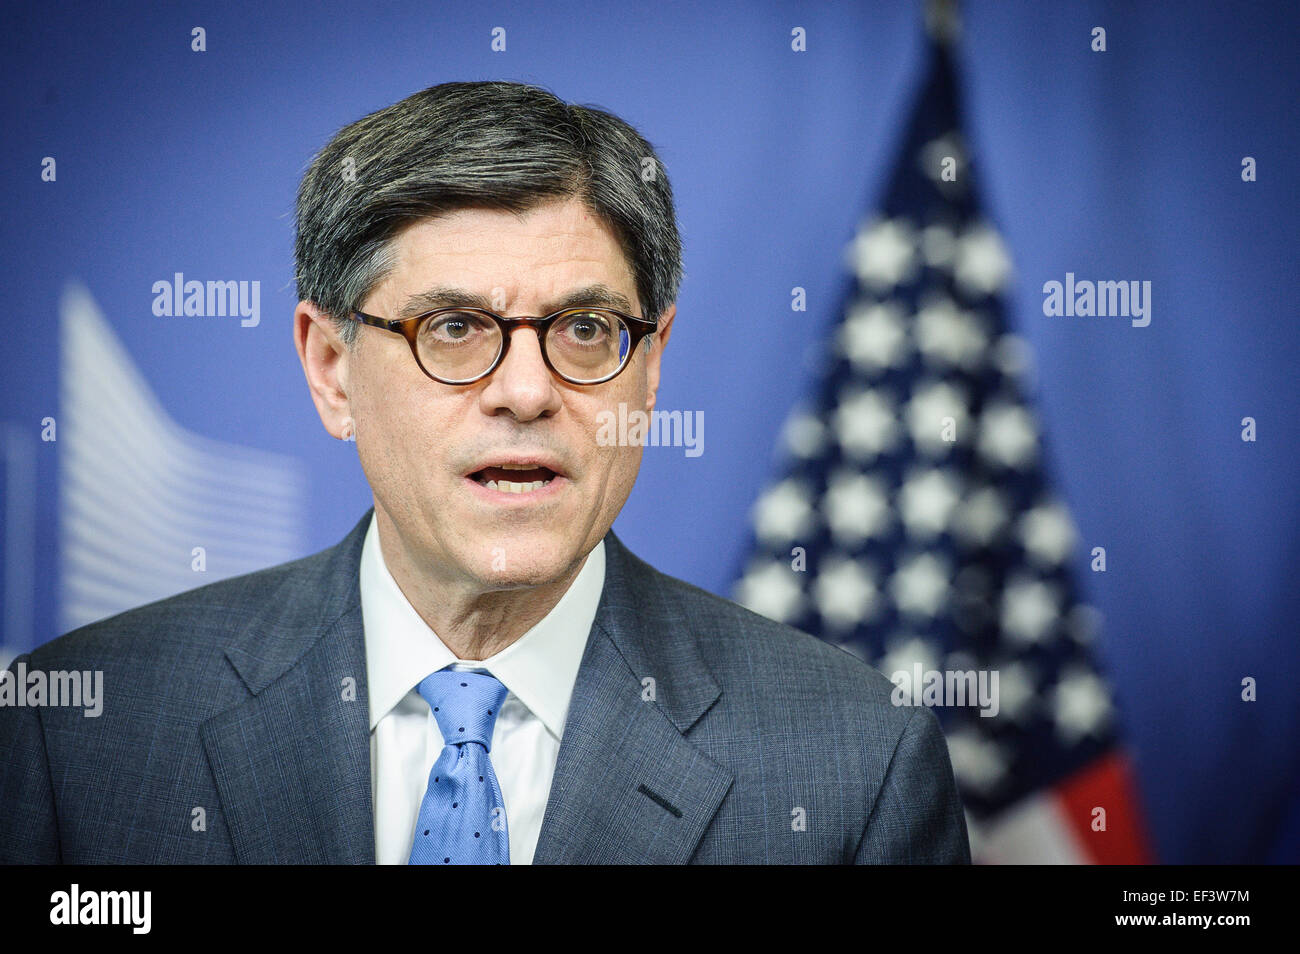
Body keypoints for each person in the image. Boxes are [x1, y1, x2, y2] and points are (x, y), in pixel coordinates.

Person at [0, 81, 969, 864]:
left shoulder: (853, 762)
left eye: (585, 330)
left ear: (652, 363)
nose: (524, 391)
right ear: (330, 369)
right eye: (453, 328)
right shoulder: (78, 729)